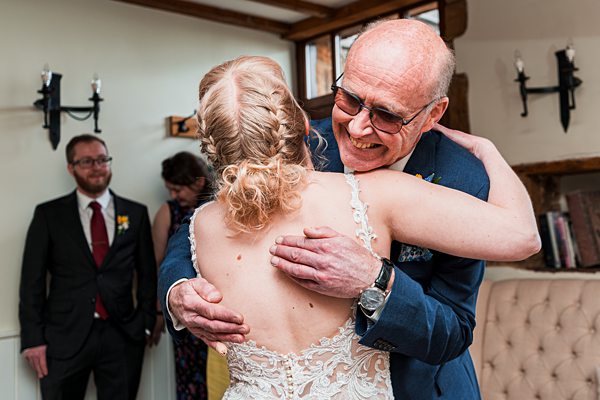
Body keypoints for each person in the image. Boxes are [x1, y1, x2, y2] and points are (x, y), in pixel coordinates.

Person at [159, 20, 538, 399]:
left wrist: (376, 281)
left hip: (421, 387)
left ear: (433, 114)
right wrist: (177, 292)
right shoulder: (295, 141)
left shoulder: (465, 180)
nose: (357, 128)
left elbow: (453, 328)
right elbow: (204, 225)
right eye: (349, 99)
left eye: (387, 115)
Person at [19, 134, 157, 400]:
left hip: (122, 335)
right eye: (87, 161)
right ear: (71, 168)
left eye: (102, 159)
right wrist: (33, 339)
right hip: (63, 337)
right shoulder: (49, 215)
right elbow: (31, 281)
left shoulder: (136, 213)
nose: (97, 167)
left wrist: (147, 322)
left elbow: (148, 273)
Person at [152, 151, 215, 400]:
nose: (174, 196)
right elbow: (159, 264)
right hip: (186, 313)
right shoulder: (168, 213)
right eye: (170, 190)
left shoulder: (219, 207)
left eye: (178, 189)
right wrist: (160, 309)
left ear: (198, 182)